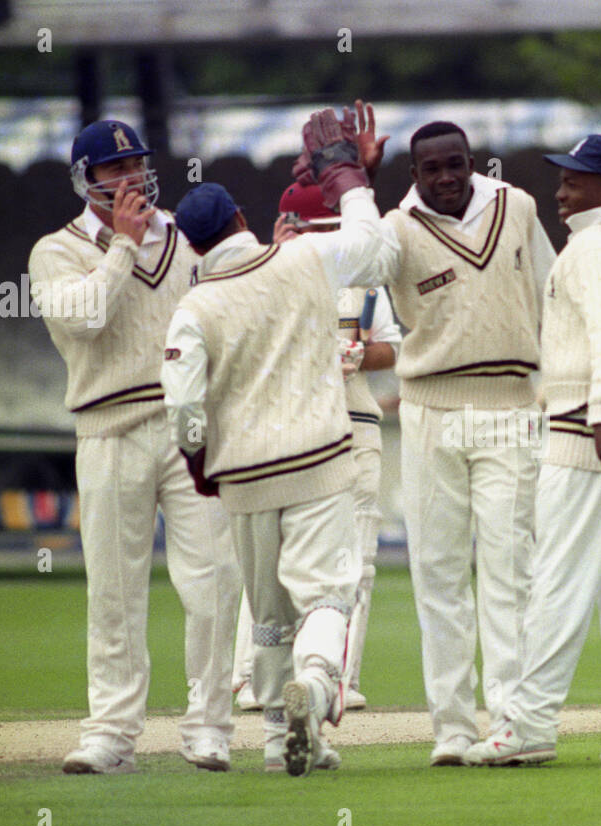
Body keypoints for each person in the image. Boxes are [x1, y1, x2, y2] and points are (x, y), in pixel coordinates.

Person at [161, 110, 398, 776]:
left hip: (243, 476)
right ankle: (319, 688)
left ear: (193, 245)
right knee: (327, 594)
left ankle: (277, 740)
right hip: (320, 459)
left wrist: (202, 465)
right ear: (241, 217)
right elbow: (376, 251)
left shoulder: (194, 307)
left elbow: (181, 404)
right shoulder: (301, 261)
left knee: (266, 614)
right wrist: (349, 176)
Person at [28, 120, 241, 774]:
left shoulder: (186, 236)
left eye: (136, 165)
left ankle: (209, 728)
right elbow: (86, 319)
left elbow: (231, 308)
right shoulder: (56, 251)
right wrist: (120, 248)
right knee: (115, 592)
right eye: (112, 170)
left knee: (213, 579)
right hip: (107, 429)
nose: (129, 179)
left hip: (189, 428)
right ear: (85, 180)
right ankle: (111, 736)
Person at [354, 109, 557, 765]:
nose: (447, 177)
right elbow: (358, 265)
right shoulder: (393, 229)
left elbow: (556, 295)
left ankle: (515, 724)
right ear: (414, 174)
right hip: (429, 411)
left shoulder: (518, 207)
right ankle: (452, 727)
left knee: (509, 570)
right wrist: (356, 179)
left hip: (511, 406)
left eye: (456, 163)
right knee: (438, 574)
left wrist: (559, 391)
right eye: (432, 168)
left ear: (472, 161)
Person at [463, 134, 601, 768]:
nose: (559, 192)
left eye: (574, 181)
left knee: (555, 579)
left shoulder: (595, 248)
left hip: (591, 430)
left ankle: (528, 727)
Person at [231, 182, 401, 713]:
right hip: (289, 434)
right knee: (268, 563)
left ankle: (337, 679)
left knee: (358, 560)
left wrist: (355, 355)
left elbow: (390, 349)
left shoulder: (366, 283)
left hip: (354, 425)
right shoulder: (263, 275)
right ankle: (251, 678)